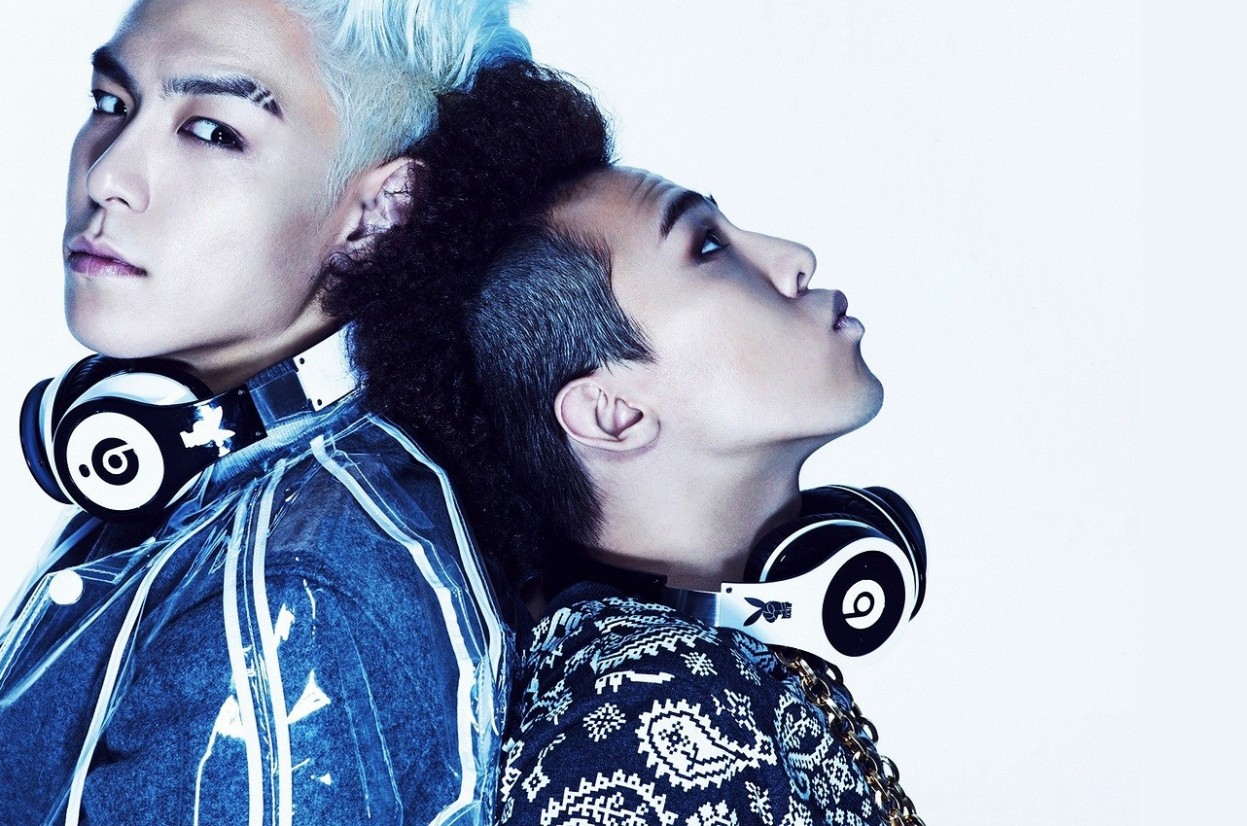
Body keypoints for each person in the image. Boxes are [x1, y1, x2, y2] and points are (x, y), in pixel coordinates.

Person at [0, 0, 607, 826]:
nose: (109, 174)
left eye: (212, 131)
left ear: (376, 212)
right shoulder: (201, 490)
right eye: (111, 101)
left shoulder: (291, 592)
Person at [349, 123, 928, 822]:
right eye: (707, 247)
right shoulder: (654, 714)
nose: (795, 259)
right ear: (613, 412)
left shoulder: (691, 675)